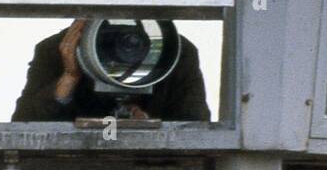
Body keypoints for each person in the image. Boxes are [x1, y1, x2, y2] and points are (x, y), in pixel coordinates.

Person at [12, 17, 211, 123]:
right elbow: (24, 127)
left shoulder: (173, 52)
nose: (125, 43)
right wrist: (69, 77)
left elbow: (198, 128)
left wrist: (149, 125)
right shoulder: (57, 49)